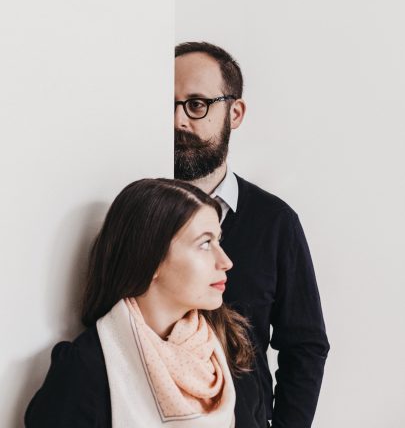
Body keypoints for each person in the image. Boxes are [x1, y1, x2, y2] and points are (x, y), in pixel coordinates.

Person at [25, 178, 267, 427]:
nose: (226, 261)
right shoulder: (86, 370)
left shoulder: (228, 348)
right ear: (150, 259)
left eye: (218, 240)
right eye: (205, 244)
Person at [175, 42, 330, 428]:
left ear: (235, 112)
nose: (178, 119)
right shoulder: (134, 214)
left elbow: (305, 346)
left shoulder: (275, 222)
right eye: (168, 105)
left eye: (196, 104)